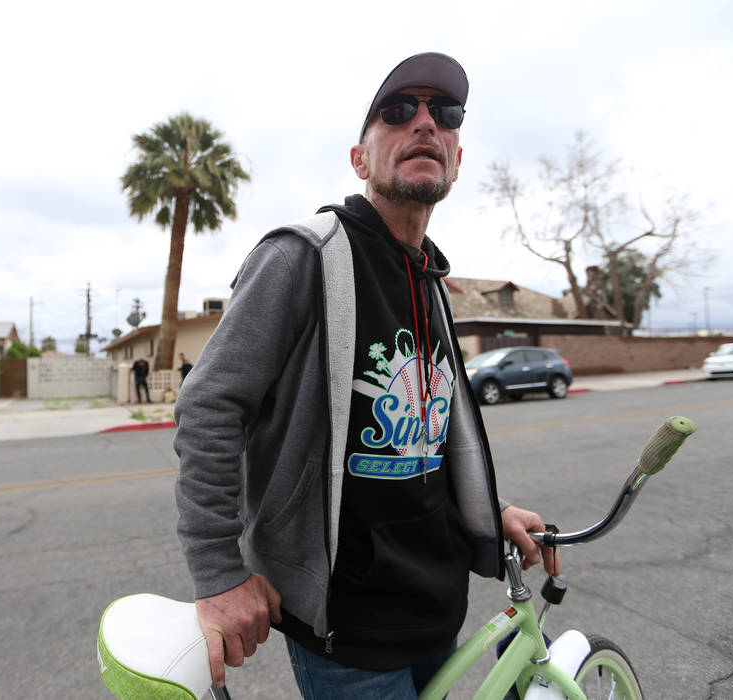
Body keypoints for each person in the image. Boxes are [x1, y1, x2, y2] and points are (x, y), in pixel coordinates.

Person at [173, 52, 559, 699]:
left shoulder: (431, 281)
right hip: (348, 637)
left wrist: (487, 513)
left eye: (447, 113)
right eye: (399, 111)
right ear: (361, 159)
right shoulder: (301, 257)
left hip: (436, 609)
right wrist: (217, 573)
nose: (426, 124)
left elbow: (422, 446)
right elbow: (209, 405)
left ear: (458, 159)